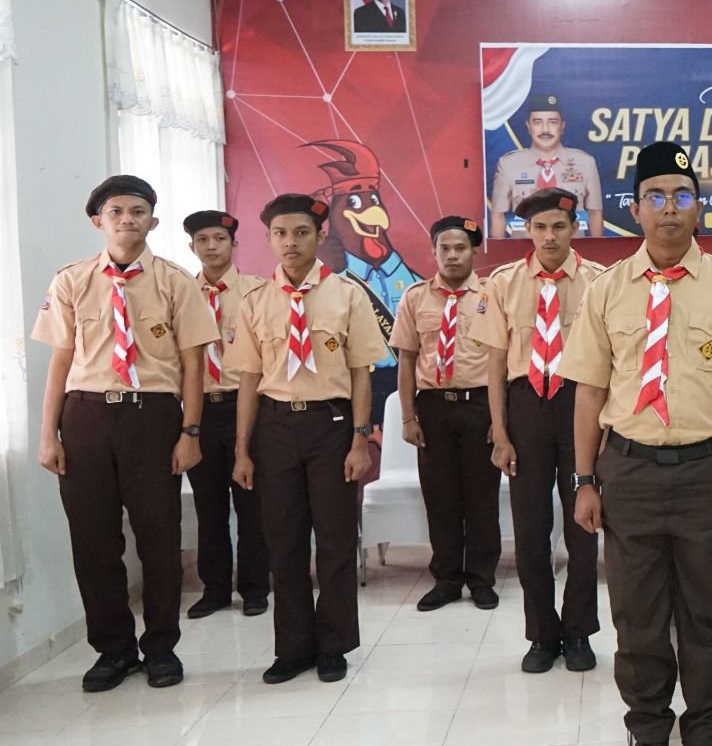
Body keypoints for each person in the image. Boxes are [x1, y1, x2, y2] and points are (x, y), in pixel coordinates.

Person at [560, 142, 712, 746]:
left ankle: (706, 738)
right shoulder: (607, 290)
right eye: (655, 196)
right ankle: (650, 739)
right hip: (628, 471)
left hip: (705, 472)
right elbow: (589, 394)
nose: (668, 208)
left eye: (681, 196)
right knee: (637, 616)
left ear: (699, 208)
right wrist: (584, 481)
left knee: (707, 613)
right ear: (634, 209)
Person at [33, 175, 216, 692]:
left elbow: (193, 364)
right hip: (85, 416)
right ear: (98, 221)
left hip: (152, 417)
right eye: (115, 211)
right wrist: (48, 435)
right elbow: (60, 362)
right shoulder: (71, 280)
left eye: (137, 211)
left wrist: (191, 431)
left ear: (152, 221)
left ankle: (160, 648)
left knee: (159, 537)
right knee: (93, 540)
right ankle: (112, 650)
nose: (126, 220)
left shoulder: (175, 282)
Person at [227, 194, 390, 684]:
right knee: (284, 541)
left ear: (320, 236)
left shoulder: (348, 295)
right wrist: (242, 449)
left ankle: (334, 644)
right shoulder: (255, 302)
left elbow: (361, 374)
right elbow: (249, 380)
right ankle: (293, 647)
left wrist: (360, 440)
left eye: (301, 232)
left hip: (331, 426)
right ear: (269, 238)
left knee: (336, 539)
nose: (290, 242)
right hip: (275, 427)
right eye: (280, 233)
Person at [485, 188, 606, 674]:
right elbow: (495, 365)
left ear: (575, 228)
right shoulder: (503, 283)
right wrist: (500, 432)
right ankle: (541, 633)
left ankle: (578, 631)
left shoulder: (599, 281)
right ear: (527, 230)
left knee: (583, 525)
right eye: (540, 227)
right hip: (525, 408)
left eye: (559, 226)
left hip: (581, 405)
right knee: (531, 528)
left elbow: (611, 363)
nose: (549, 236)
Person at [390, 216, 504, 614]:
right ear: (434, 252)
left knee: (482, 498)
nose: (452, 255)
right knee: (440, 498)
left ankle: (482, 579)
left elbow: (501, 362)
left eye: (460, 248)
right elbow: (406, 361)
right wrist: (408, 417)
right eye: (445, 248)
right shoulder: (414, 298)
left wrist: (499, 420)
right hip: (434, 407)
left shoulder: (493, 296)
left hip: (480, 405)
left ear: (475, 252)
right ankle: (447, 579)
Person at [182, 209, 270, 619]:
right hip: (200, 409)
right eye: (202, 240)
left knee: (252, 502)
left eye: (219, 239)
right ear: (192, 247)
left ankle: (255, 587)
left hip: (246, 405)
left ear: (234, 244)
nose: (211, 247)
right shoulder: (182, 293)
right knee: (208, 505)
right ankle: (214, 589)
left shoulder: (257, 291)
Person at [489, 94, 604, 239]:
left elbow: (595, 213)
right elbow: (498, 215)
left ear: (562, 126)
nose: (545, 129)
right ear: (528, 126)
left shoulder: (585, 162)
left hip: (573, 248)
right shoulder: (508, 164)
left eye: (552, 122)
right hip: (523, 248)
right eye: (537, 122)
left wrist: (595, 249)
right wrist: (500, 251)